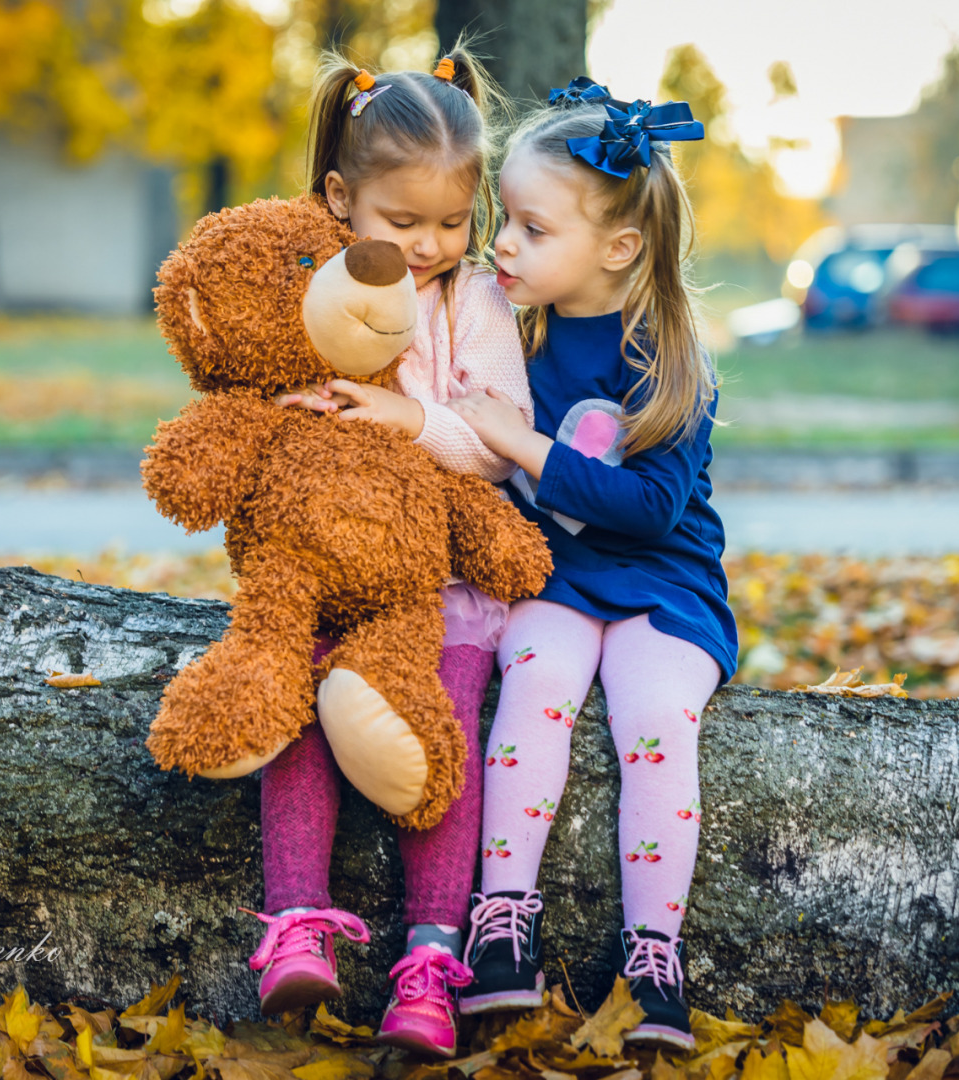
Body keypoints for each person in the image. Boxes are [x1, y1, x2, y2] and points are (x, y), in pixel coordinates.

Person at [248, 45, 531, 1059]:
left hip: (447, 580)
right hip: (328, 571)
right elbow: (254, 395)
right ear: (339, 195)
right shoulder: (307, 287)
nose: (429, 245)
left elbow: (498, 447)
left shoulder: (476, 307)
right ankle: (296, 923)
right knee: (294, 703)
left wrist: (405, 417)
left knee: (435, 743)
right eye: (402, 222)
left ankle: (429, 961)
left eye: (452, 223)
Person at [443, 77, 735, 1051]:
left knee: (654, 717)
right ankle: (502, 923)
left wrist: (524, 446)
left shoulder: (672, 354)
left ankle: (654, 957)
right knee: (537, 686)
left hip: (663, 582)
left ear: (617, 248)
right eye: (504, 221)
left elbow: (650, 511)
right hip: (557, 576)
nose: (504, 244)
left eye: (532, 228)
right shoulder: (509, 325)